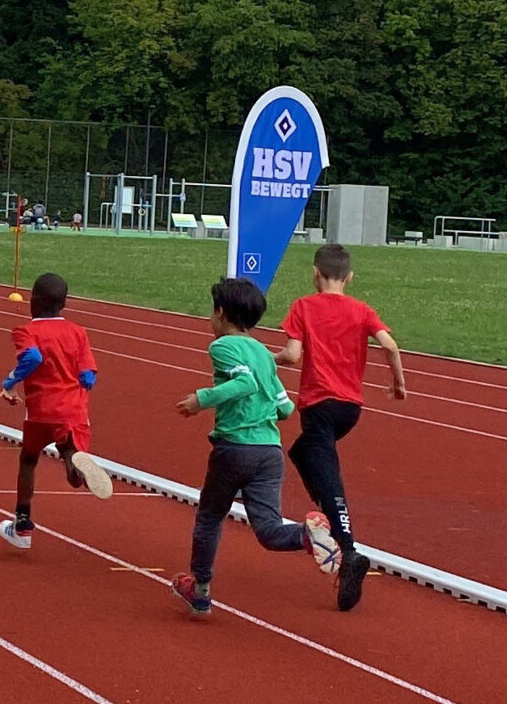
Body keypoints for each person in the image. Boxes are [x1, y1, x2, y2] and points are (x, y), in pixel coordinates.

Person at [170, 277, 340, 619]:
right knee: (268, 530)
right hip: (269, 452)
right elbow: (285, 407)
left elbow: (245, 383)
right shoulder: (263, 353)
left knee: (210, 517)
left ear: (220, 313)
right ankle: (306, 537)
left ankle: (200, 591)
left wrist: (201, 400)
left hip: (234, 448)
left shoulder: (221, 346)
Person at [275, 244, 407, 611]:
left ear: (314, 273)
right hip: (350, 408)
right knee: (304, 453)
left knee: (328, 474)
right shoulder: (362, 310)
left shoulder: (304, 306)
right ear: (349, 277)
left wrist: (264, 359)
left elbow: (292, 355)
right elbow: (391, 346)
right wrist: (398, 384)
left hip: (318, 405)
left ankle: (348, 549)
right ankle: (333, 524)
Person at [0, 273, 113, 549]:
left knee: (28, 459)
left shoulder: (26, 331)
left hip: (41, 410)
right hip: (73, 410)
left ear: (33, 301)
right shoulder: (78, 332)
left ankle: (22, 525)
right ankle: (76, 469)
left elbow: (32, 357)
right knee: (69, 450)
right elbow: (88, 377)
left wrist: (9, 382)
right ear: (63, 303)